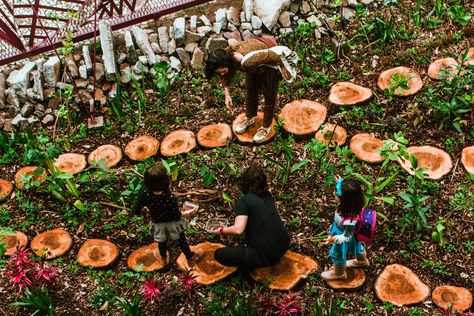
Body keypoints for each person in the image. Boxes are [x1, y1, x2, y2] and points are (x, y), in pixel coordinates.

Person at [205, 37, 298, 143]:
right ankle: (249, 117)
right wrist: (227, 94)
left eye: (223, 71)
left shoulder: (246, 61)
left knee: (269, 96)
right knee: (250, 92)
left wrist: (282, 66)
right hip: (253, 61)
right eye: (219, 73)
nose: (222, 74)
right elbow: (225, 75)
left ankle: (266, 127)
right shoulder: (224, 54)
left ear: (227, 64)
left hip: (270, 60)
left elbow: (272, 56)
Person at [213, 165, 290, 269]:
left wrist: (221, 230)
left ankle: (247, 270)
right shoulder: (267, 195)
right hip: (283, 244)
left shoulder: (244, 201)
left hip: (266, 255)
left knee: (219, 254)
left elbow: (238, 230)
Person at [133, 163, 204, 266]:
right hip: (172, 224)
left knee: (162, 242)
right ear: (165, 181)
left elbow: (135, 210)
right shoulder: (170, 198)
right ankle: (190, 257)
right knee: (181, 240)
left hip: (158, 224)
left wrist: (145, 209)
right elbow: (176, 216)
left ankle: (163, 258)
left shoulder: (145, 194)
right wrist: (187, 212)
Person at [320, 178, 370, 281]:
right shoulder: (349, 206)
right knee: (357, 247)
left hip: (343, 237)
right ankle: (362, 261)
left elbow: (347, 237)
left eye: (336, 194)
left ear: (345, 199)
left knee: (338, 254)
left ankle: (339, 273)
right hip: (348, 234)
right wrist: (341, 182)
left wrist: (334, 239)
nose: (334, 193)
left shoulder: (350, 219)